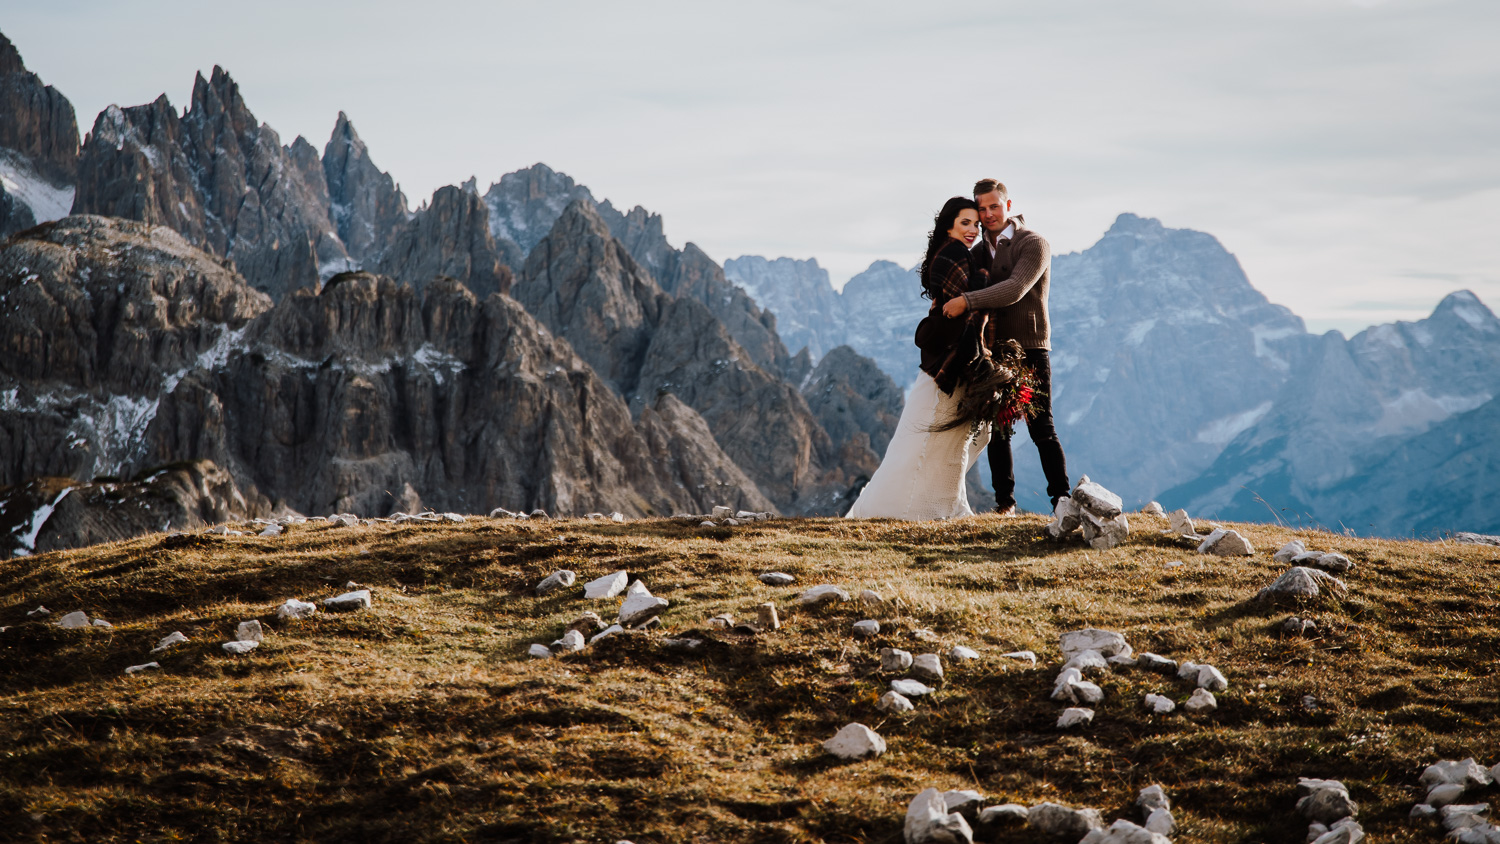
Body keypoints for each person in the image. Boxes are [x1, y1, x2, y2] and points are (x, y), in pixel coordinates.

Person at [844, 197, 993, 520]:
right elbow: (965, 309)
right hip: (951, 360)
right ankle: (920, 507)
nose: (972, 231)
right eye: (965, 223)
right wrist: (982, 279)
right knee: (942, 435)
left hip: (946, 358)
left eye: (976, 225)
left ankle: (943, 503)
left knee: (946, 436)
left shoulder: (952, 253)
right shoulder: (953, 254)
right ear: (949, 224)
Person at [942, 178, 1070, 514]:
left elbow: (1015, 289)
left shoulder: (1034, 244)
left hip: (1030, 348)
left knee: (1041, 425)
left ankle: (1062, 500)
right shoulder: (979, 250)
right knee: (998, 428)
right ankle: (1005, 504)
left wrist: (965, 301)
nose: (987, 214)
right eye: (981, 208)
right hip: (993, 350)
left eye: (994, 206)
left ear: (1008, 205)